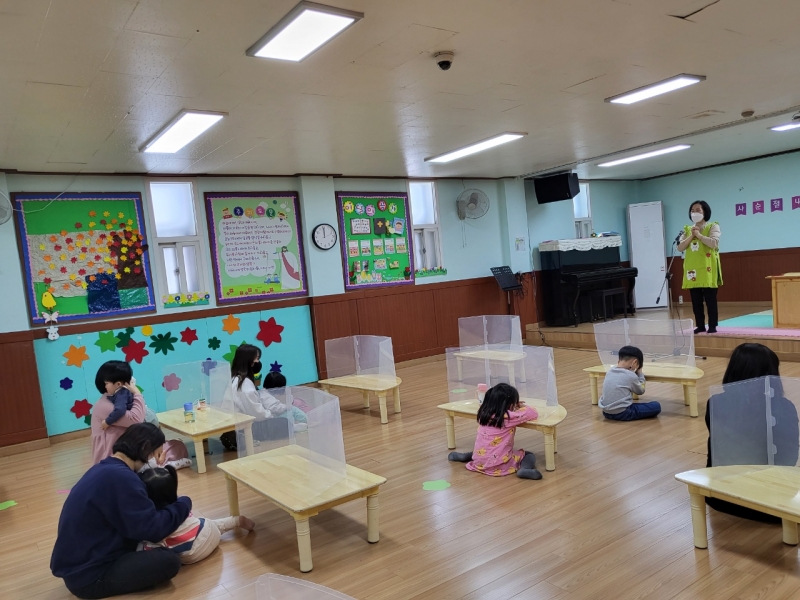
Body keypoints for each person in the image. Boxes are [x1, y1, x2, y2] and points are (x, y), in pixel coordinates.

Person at [51, 423, 191, 599]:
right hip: (91, 578)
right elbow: (153, 529)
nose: (157, 461)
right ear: (145, 448)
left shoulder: (106, 468)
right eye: (157, 454)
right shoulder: (123, 478)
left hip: (79, 567)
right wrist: (183, 503)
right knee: (169, 561)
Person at [705, 343, 799, 522]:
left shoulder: (715, 402)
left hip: (720, 495)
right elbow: (789, 457)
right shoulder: (784, 407)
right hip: (771, 502)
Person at [138, 465, 255, 564]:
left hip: (191, 554)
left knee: (146, 545)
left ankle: (234, 521)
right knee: (208, 524)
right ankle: (236, 521)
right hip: (211, 534)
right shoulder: (180, 504)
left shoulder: (156, 520)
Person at [447, 383, 543, 480]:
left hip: (479, 462)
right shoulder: (508, 417)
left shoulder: (483, 413)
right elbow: (533, 413)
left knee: (485, 449)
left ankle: (466, 456)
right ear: (509, 404)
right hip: (499, 466)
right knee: (528, 455)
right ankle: (525, 469)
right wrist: (522, 406)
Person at [220, 344, 289, 450]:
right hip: (243, 427)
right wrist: (271, 414)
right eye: (256, 358)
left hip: (233, 424)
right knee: (284, 423)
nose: (258, 362)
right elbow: (257, 414)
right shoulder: (245, 385)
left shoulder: (235, 379)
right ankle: (242, 437)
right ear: (249, 361)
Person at [677, 200, 722, 334]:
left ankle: (712, 325)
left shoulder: (713, 226)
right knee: (696, 301)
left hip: (708, 268)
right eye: (692, 210)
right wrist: (692, 235)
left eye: (698, 210)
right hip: (693, 269)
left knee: (710, 300)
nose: (694, 213)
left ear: (705, 212)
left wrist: (699, 235)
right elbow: (680, 247)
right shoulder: (687, 229)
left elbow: (714, 243)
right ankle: (700, 325)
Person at [91, 361, 146, 465]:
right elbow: (136, 419)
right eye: (106, 383)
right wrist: (137, 393)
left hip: (121, 457)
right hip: (109, 462)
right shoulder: (104, 405)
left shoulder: (115, 397)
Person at [599, 346, 661, 421]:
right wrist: (640, 374)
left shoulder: (610, 372)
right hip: (623, 413)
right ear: (635, 362)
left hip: (606, 412)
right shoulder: (630, 375)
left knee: (636, 405)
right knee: (656, 406)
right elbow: (641, 391)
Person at [99, 361, 134, 430]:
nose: (105, 386)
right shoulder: (122, 392)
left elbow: (120, 410)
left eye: (106, 383)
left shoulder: (121, 394)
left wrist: (107, 422)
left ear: (118, 384)